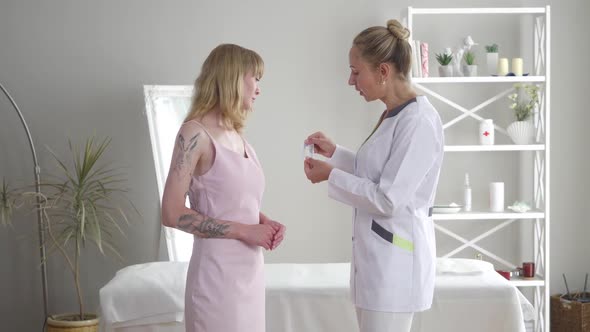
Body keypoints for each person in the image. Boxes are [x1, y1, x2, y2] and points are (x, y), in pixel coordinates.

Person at [303, 20, 444, 332]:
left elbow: (388, 198)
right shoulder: (393, 114)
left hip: (396, 271)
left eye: (356, 71)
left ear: (383, 71)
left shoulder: (418, 121)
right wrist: (335, 153)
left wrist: (332, 176)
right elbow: (379, 172)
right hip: (377, 266)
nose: (351, 80)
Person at [161, 43, 286, 332]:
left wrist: (263, 222)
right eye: (254, 78)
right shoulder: (194, 134)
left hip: (251, 276)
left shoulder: (239, 138)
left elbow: (234, 202)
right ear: (232, 77)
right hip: (216, 281)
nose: (258, 88)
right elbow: (170, 212)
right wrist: (246, 230)